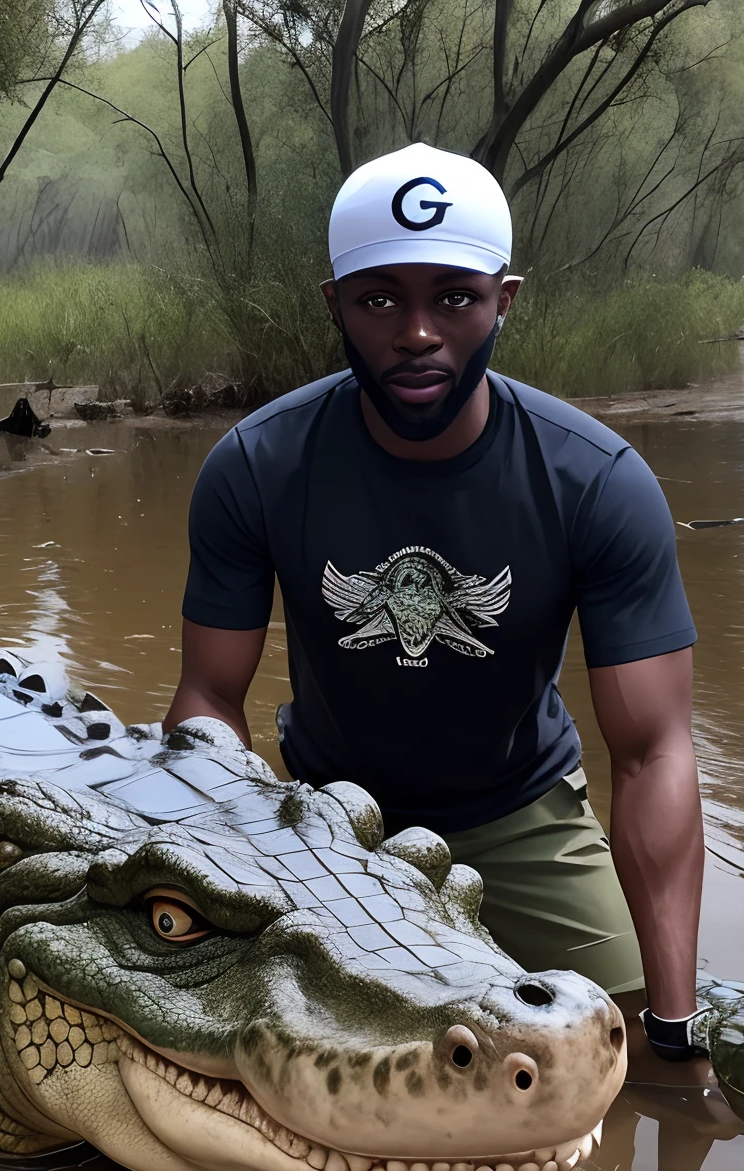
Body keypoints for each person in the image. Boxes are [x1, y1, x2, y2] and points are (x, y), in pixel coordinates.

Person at [163, 142, 705, 1062]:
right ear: (335, 305)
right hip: (328, 815)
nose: (417, 333)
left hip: (519, 807)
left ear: (505, 299)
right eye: (381, 300)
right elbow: (210, 703)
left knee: (617, 1056)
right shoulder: (257, 466)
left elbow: (653, 750)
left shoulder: (597, 481)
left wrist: (675, 1023)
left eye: (454, 296)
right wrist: (216, 885)